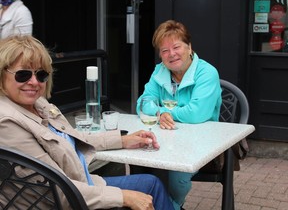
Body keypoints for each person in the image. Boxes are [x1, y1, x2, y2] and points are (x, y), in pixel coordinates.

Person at [0, 35, 175, 210]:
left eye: (41, 74)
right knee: (147, 188)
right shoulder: (7, 122)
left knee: (151, 184)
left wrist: (122, 140)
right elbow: (56, 189)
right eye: (22, 75)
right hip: (67, 200)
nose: (34, 82)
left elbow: (72, 137)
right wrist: (124, 197)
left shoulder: (37, 104)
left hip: (80, 185)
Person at [135, 20, 222, 210]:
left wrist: (164, 111)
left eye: (176, 47)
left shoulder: (207, 73)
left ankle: (169, 206)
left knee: (177, 169)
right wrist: (158, 112)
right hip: (166, 138)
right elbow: (142, 103)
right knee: (137, 156)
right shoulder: (160, 71)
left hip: (202, 141)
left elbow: (196, 113)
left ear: (189, 47)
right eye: (164, 50)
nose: (171, 54)